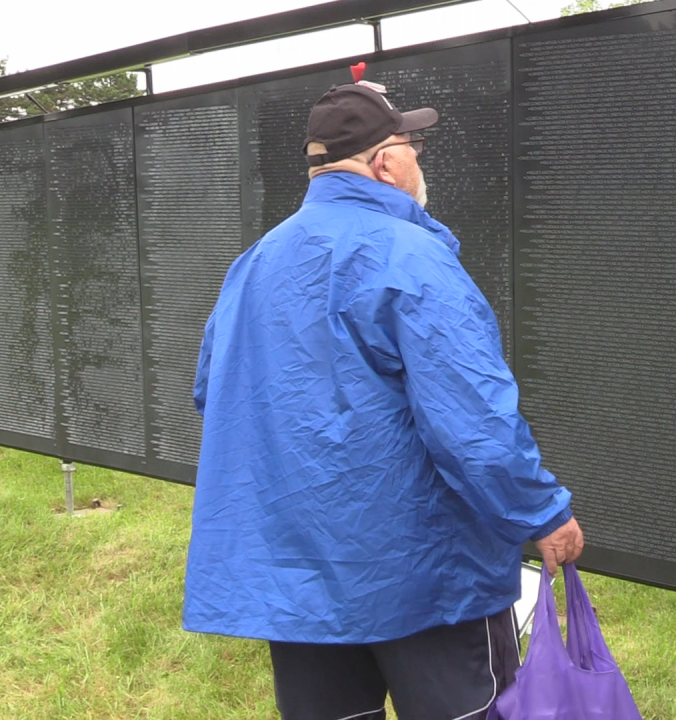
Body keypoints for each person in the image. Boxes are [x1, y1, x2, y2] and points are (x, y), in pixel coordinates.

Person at [183, 80, 584, 720]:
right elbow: (472, 425)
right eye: (414, 144)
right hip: (422, 575)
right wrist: (540, 513)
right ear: (386, 162)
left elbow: (215, 395)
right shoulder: (412, 254)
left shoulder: (253, 262)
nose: (419, 161)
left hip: (300, 579)